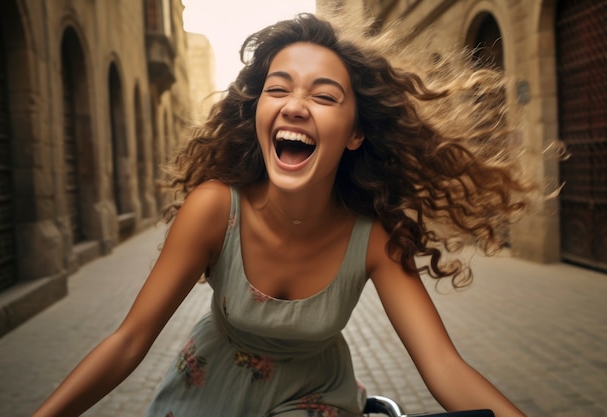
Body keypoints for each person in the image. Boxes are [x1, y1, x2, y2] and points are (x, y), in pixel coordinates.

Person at [33, 11, 538, 417]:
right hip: (206, 395)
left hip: (315, 401)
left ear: (356, 133)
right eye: (278, 89)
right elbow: (127, 341)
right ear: (258, 114)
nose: (296, 105)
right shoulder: (214, 208)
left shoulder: (374, 239)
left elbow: (445, 368)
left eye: (323, 96)